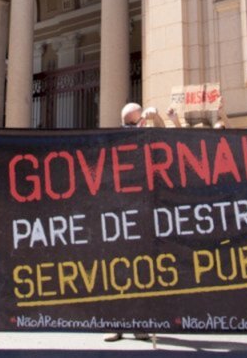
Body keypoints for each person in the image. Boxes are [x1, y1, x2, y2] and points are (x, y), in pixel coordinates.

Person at [104, 104, 155, 342]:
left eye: (132, 124)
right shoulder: (116, 141)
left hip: (139, 217)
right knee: (118, 274)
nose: (129, 128)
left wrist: (157, 120)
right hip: (118, 219)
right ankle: (118, 324)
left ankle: (139, 324)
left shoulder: (146, 139)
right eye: (127, 124)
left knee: (140, 273)